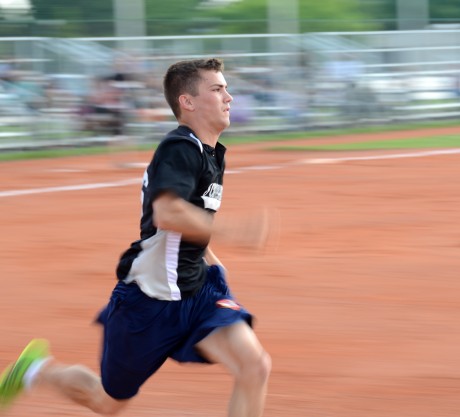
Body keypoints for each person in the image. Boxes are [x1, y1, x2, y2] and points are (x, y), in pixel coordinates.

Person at [0, 58, 272, 417]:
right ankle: (37, 371)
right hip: (150, 300)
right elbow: (168, 213)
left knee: (255, 367)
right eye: (218, 89)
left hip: (197, 291)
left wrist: (215, 269)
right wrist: (233, 231)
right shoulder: (180, 148)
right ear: (187, 102)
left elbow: (191, 223)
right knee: (108, 402)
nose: (230, 97)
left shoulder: (209, 154)